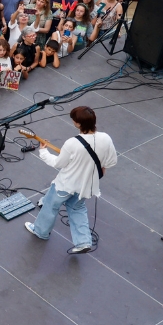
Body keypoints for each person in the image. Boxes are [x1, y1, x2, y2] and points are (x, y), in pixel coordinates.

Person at [26, 105, 117, 254]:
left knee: (50, 206)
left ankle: (41, 232)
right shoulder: (106, 138)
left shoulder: (72, 143)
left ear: (78, 124)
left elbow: (57, 163)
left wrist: (43, 151)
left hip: (65, 185)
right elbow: (111, 161)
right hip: (86, 186)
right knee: (78, 209)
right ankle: (83, 242)